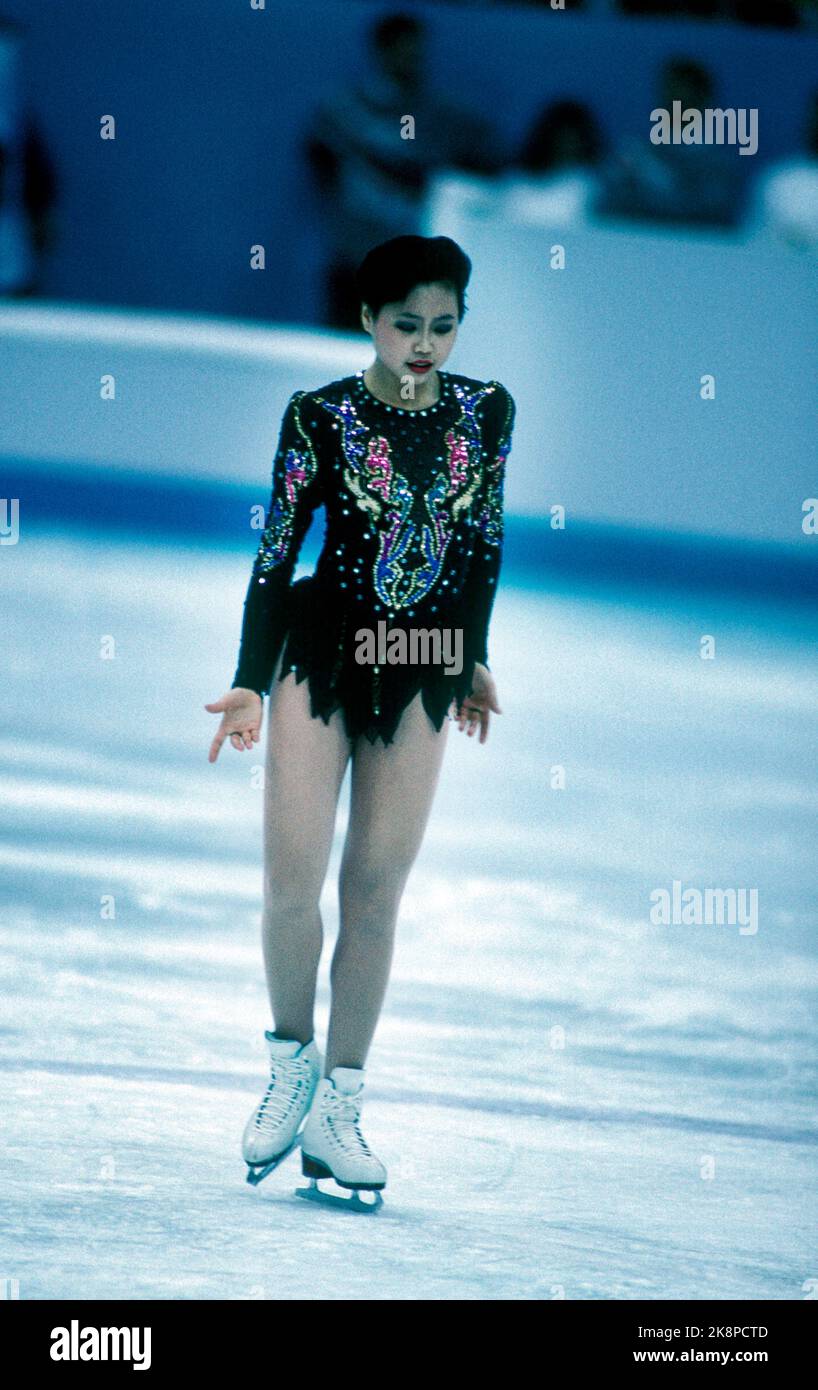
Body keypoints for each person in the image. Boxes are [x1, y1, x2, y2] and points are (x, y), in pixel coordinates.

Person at [205, 235, 516, 1204]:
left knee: (375, 887)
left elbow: (485, 542)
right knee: (293, 879)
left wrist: (471, 657)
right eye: (404, 324)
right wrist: (250, 679)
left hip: (420, 665)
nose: (424, 344)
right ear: (366, 322)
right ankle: (289, 1066)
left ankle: (340, 1107)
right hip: (323, 655)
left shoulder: (487, 411)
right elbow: (276, 550)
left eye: (442, 325)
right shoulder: (321, 415)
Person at [304, 11, 506, 329]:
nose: (412, 56)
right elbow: (320, 165)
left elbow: (488, 160)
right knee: (341, 341)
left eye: (417, 48)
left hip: (412, 257)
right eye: (403, 47)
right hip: (355, 251)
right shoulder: (344, 110)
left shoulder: (444, 115)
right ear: (382, 49)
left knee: (400, 348)